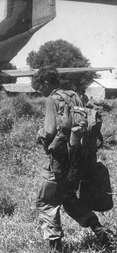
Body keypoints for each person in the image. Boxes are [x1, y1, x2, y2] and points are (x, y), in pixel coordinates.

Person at [35, 66, 115, 251]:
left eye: (41, 85)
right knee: (69, 196)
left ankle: (55, 245)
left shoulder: (52, 99)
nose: (41, 89)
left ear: (47, 82)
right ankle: (100, 230)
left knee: (47, 200)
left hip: (60, 159)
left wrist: (39, 134)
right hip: (79, 158)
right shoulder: (74, 95)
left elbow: (49, 131)